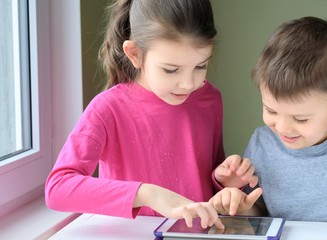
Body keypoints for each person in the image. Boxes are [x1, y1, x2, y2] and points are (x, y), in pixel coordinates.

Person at [45, 0, 260, 229]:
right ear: (135, 54)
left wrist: (222, 180)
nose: (188, 84)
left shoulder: (210, 99)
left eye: (200, 66)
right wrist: (147, 193)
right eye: (171, 69)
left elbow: (204, 171)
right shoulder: (107, 108)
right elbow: (58, 188)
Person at [214, 16, 327, 222]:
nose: (282, 127)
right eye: (271, 111)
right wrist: (239, 204)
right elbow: (259, 214)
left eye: (300, 119)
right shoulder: (261, 143)